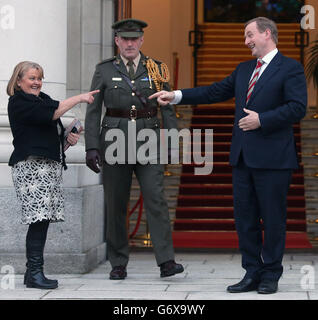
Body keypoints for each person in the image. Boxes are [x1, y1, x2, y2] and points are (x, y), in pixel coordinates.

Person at [150, 17, 307, 294]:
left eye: (249, 35)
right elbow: (214, 91)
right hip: (243, 158)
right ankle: (252, 272)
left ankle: (271, 274)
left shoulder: (290, 68)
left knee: (272, 220)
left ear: (267, 33)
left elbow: (297, 108)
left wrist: (263, 119)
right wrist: (175, 95)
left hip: (274, 160)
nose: (246, 42)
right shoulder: (244, 69)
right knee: (245, 219)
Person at [84, 18, 184, 280]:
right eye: (124, 39)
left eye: (134, 39)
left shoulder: (157, 68)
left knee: (156, 199)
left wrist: (172, 142)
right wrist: (91, 147)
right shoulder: (103, 70)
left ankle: (166, 261)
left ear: (141, 40)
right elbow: (93, 111)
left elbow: (167, 108)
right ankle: (118, 262)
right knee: (116, 203)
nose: (129, 43)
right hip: (114, 142)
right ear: (117, 41)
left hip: (149, 141)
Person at [7, 61, 99, 289]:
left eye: (39, 78)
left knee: (43, 220)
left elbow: (46, 135)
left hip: (47, 168)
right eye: (32, 78)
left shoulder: (41, 99)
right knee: (38, 220)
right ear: (19, 81)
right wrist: (79, 98)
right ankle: (35, 273)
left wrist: (66, 139)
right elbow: (52, 112)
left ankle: (33, 273)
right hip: (31, 169)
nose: (37, 82)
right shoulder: (19, 101)